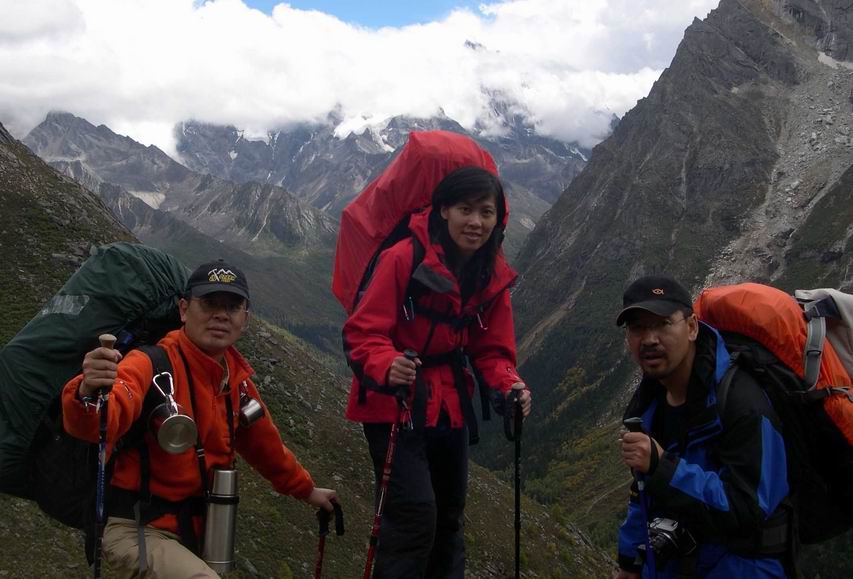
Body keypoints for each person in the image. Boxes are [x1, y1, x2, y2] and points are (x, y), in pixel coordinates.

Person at [62, 259, 337, 578]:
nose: (221, 315)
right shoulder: (149, 365)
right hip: (137, 529)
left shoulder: (237, 383)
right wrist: (87, 390)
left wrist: (307, 490)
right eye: (209, 303)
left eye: (232, 307)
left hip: (196, 536)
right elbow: (102, 419)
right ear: (183, 309)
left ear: (245, 318)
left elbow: (267, 449)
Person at [343, 164, 532, 578]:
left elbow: (491, 347)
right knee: (413, 516)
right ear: (443, 210)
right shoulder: (403, 257)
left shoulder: (488, 270)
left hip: (450, 404)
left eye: (486, 212)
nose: (476, 222)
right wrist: (387, 364)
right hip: (396, 401)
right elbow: (362, 332)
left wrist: (508, 385)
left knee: (448, 519)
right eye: (466, 209)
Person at [615, 275, 792, 578]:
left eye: (663, 324)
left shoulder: (741, 402)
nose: (649, 339)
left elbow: (749, 507)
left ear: (692, 327)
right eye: (638, 328)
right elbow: (643, 491)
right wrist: (630, 561)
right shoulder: (650, 405)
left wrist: (663, 467)